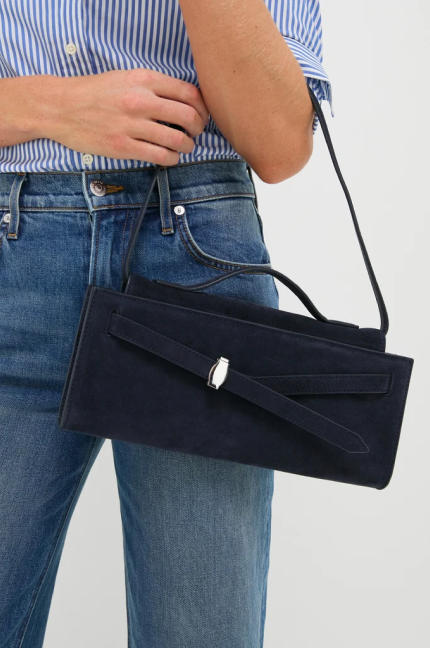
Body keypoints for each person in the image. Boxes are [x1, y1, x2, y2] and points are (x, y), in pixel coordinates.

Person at [0, 1, 333, 646]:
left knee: (200, 633)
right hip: (15, 249)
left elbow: (279, 144)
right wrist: (49, 107)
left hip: (195, 253)